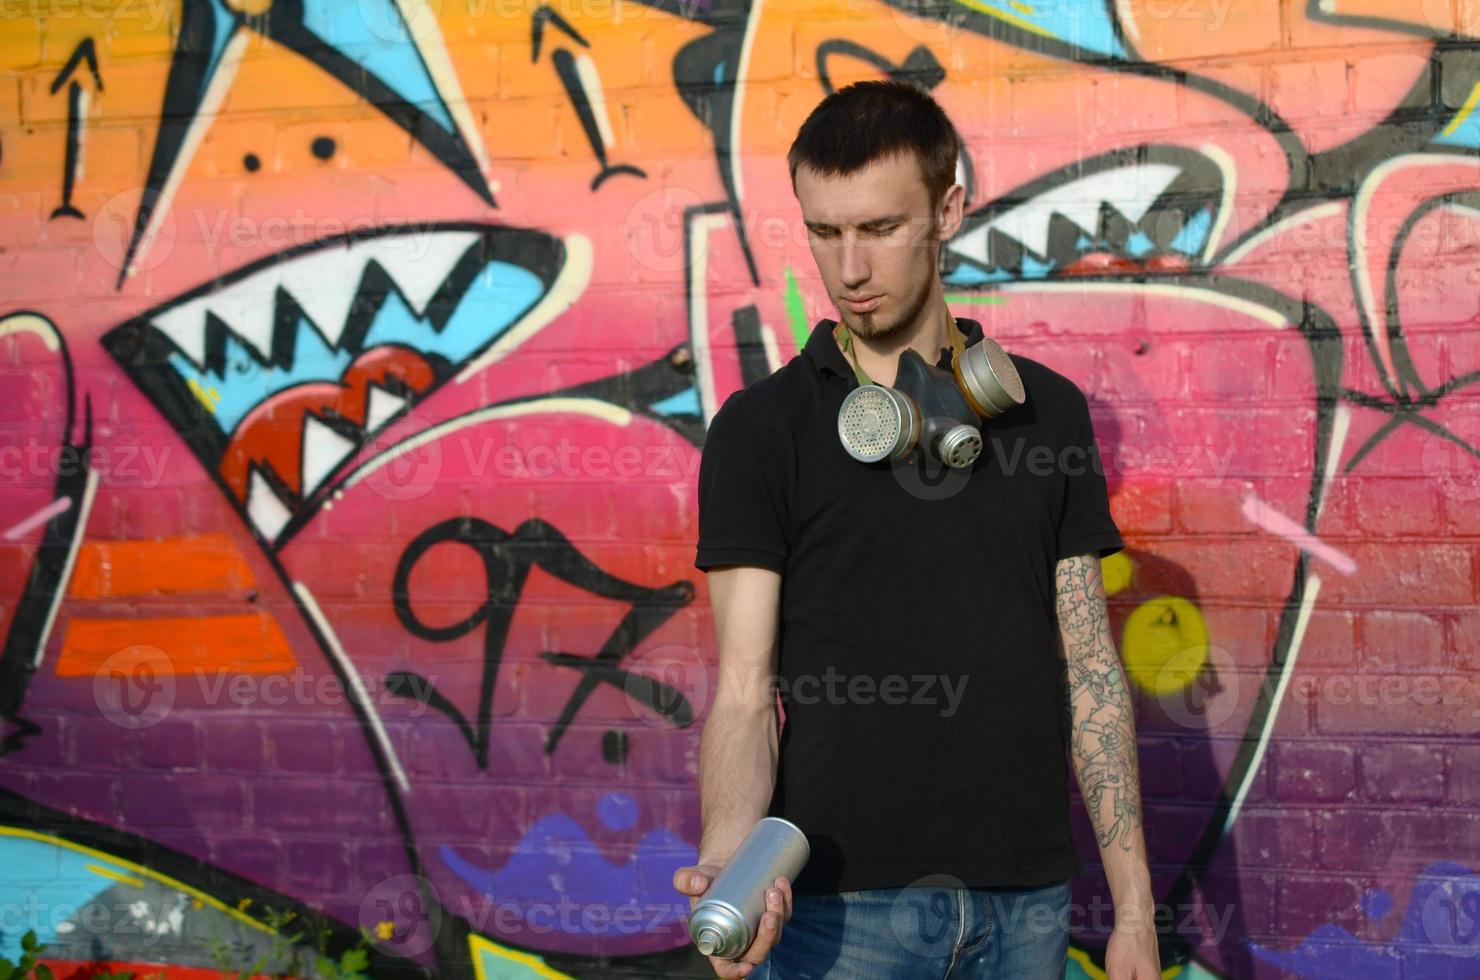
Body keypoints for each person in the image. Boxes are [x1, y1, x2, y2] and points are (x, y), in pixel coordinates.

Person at [673, 79, 1161, 979]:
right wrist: (731, 863)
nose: (849, 269)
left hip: (1027, 908)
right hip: (840, 919)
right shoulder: (760, 430)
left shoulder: (1044, 417)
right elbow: (744, 695)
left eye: (880, 229)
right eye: (825, 232)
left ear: (947, 210)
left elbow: (1092, 675)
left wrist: (1133, 907)